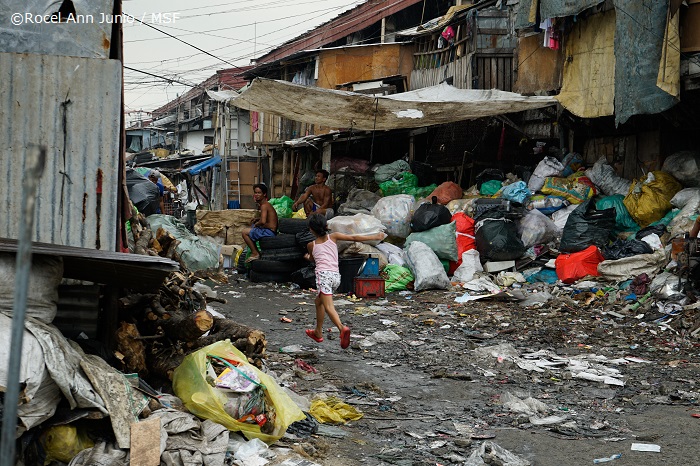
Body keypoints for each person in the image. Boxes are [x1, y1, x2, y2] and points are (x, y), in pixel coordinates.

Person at [303, 213, 385, 349]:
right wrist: (375, 236)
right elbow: (353, 237)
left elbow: (313, 258)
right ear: (326, 226)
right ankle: (318, 331)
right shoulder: (333, 237)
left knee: (328, 307)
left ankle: (342, 329)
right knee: (319, 302)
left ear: (311, 229)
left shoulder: (311, 245)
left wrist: (307, 257)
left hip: (323, 277)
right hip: (336, 277)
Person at [242, 183, 278, 262]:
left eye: (259, 193)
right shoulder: (265, 205)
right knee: (251, 228)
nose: (256, 195)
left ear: (264, 194)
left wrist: (256, 224)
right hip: (270, 230)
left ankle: (255, 253)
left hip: (269, 232)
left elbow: (263, 221)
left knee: (244, 232)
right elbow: (265, 219)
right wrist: (257, 219)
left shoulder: (264, 205)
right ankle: (257, 252)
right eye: (255, 192)